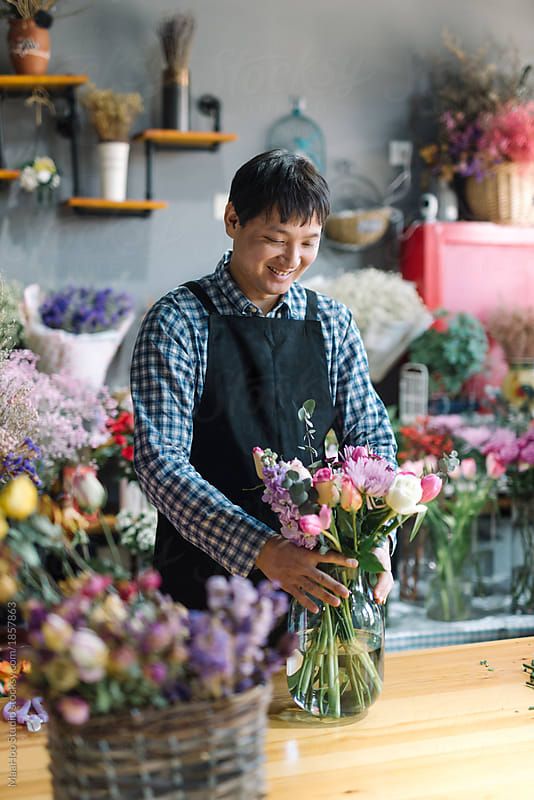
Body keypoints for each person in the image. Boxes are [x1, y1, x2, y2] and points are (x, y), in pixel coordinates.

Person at [130, 149, 398, 612]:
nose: (292, 260)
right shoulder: (178, 322)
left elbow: (371, 435)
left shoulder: (330, 322)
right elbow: (160, 464)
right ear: (233, 219)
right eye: (276, 239)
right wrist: (262, 550)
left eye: (309, 242)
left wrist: (377, 531)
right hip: (205, 590)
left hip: (318, 588)